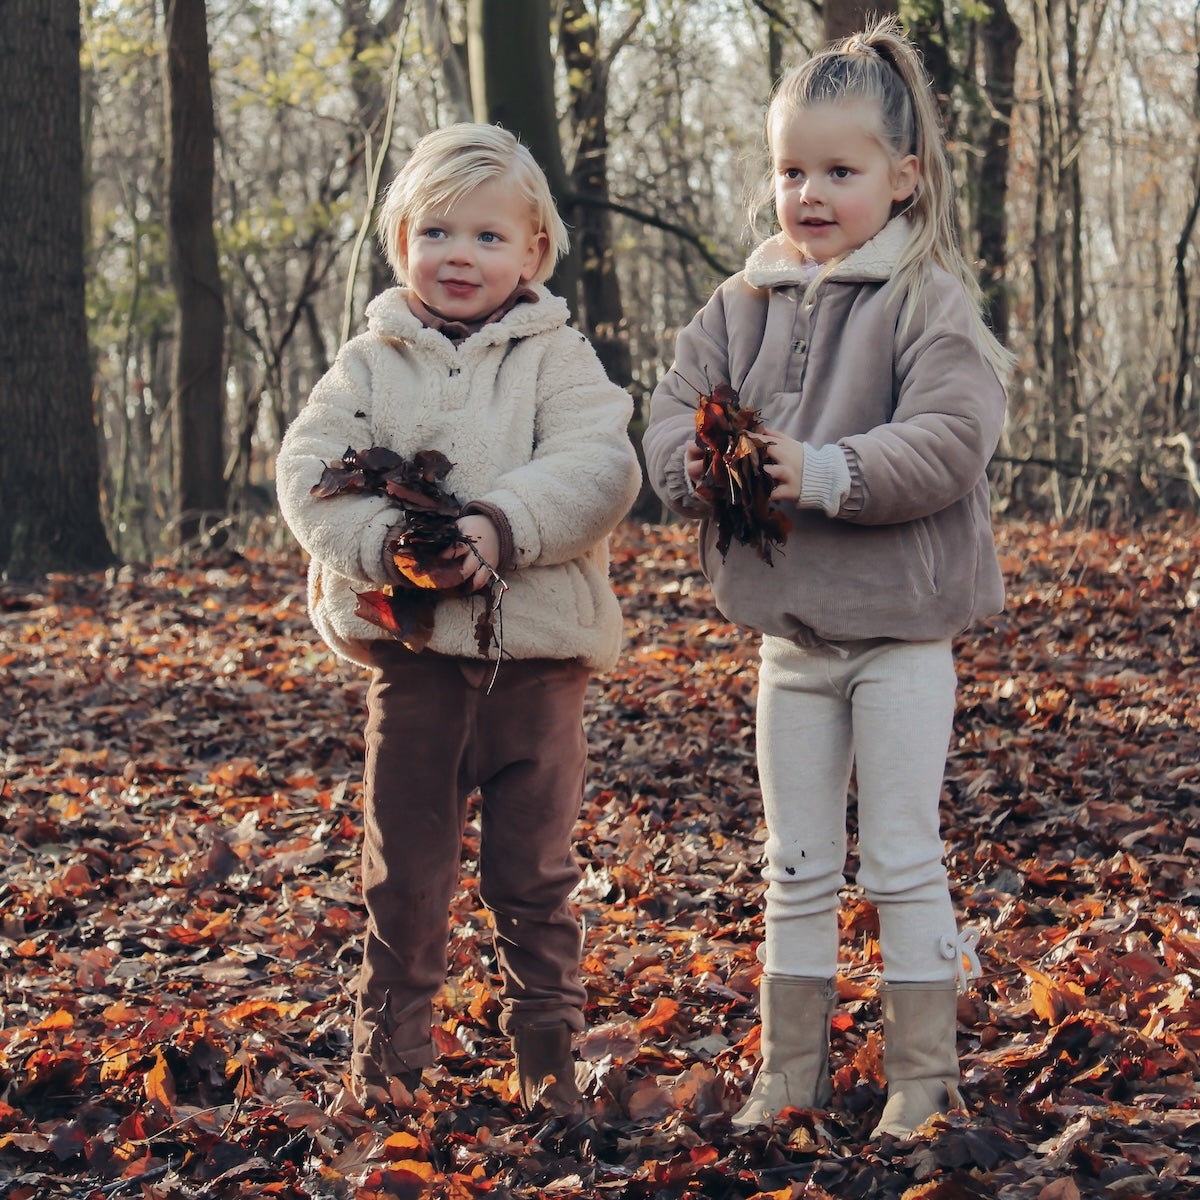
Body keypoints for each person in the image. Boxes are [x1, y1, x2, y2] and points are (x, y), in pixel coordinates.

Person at [644, 17, 1010, 1140]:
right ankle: (788, 1074)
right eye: (790, 169)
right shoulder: (742, 302)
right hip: (790, 645)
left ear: (902, 180)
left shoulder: (923, 300)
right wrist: (701, 468)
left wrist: (829, 470)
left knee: (900, 854)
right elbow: (664, 415)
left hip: (901, 637)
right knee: (795, 862)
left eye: (839, 171)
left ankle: (920, 1078)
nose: (809, 193)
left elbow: (954, 437)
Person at [276, 123, 641, 1114]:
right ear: (401, 243)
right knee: (405, 865)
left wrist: (498, 525)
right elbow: (311, 473)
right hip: (418, 662)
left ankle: (548, 1055)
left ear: (532, 253)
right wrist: (387, 544)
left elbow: (600, 468)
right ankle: (390, 1059)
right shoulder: (370, 362)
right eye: (437, 232)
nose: (460, 256)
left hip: (536, 668)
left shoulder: (558, 358)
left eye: (488, 237)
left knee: (533, 870)